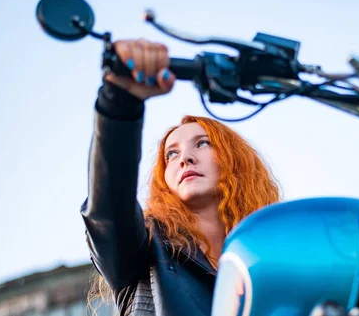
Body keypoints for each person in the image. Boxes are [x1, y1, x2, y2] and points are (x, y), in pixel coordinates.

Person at [80, 39, 281, 316]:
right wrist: (120, 100)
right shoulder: (146, 248)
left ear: (235, 161)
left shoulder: (270, 265)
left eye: (202, 144)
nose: (184, 158)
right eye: (171, 155)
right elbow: (108, 207)